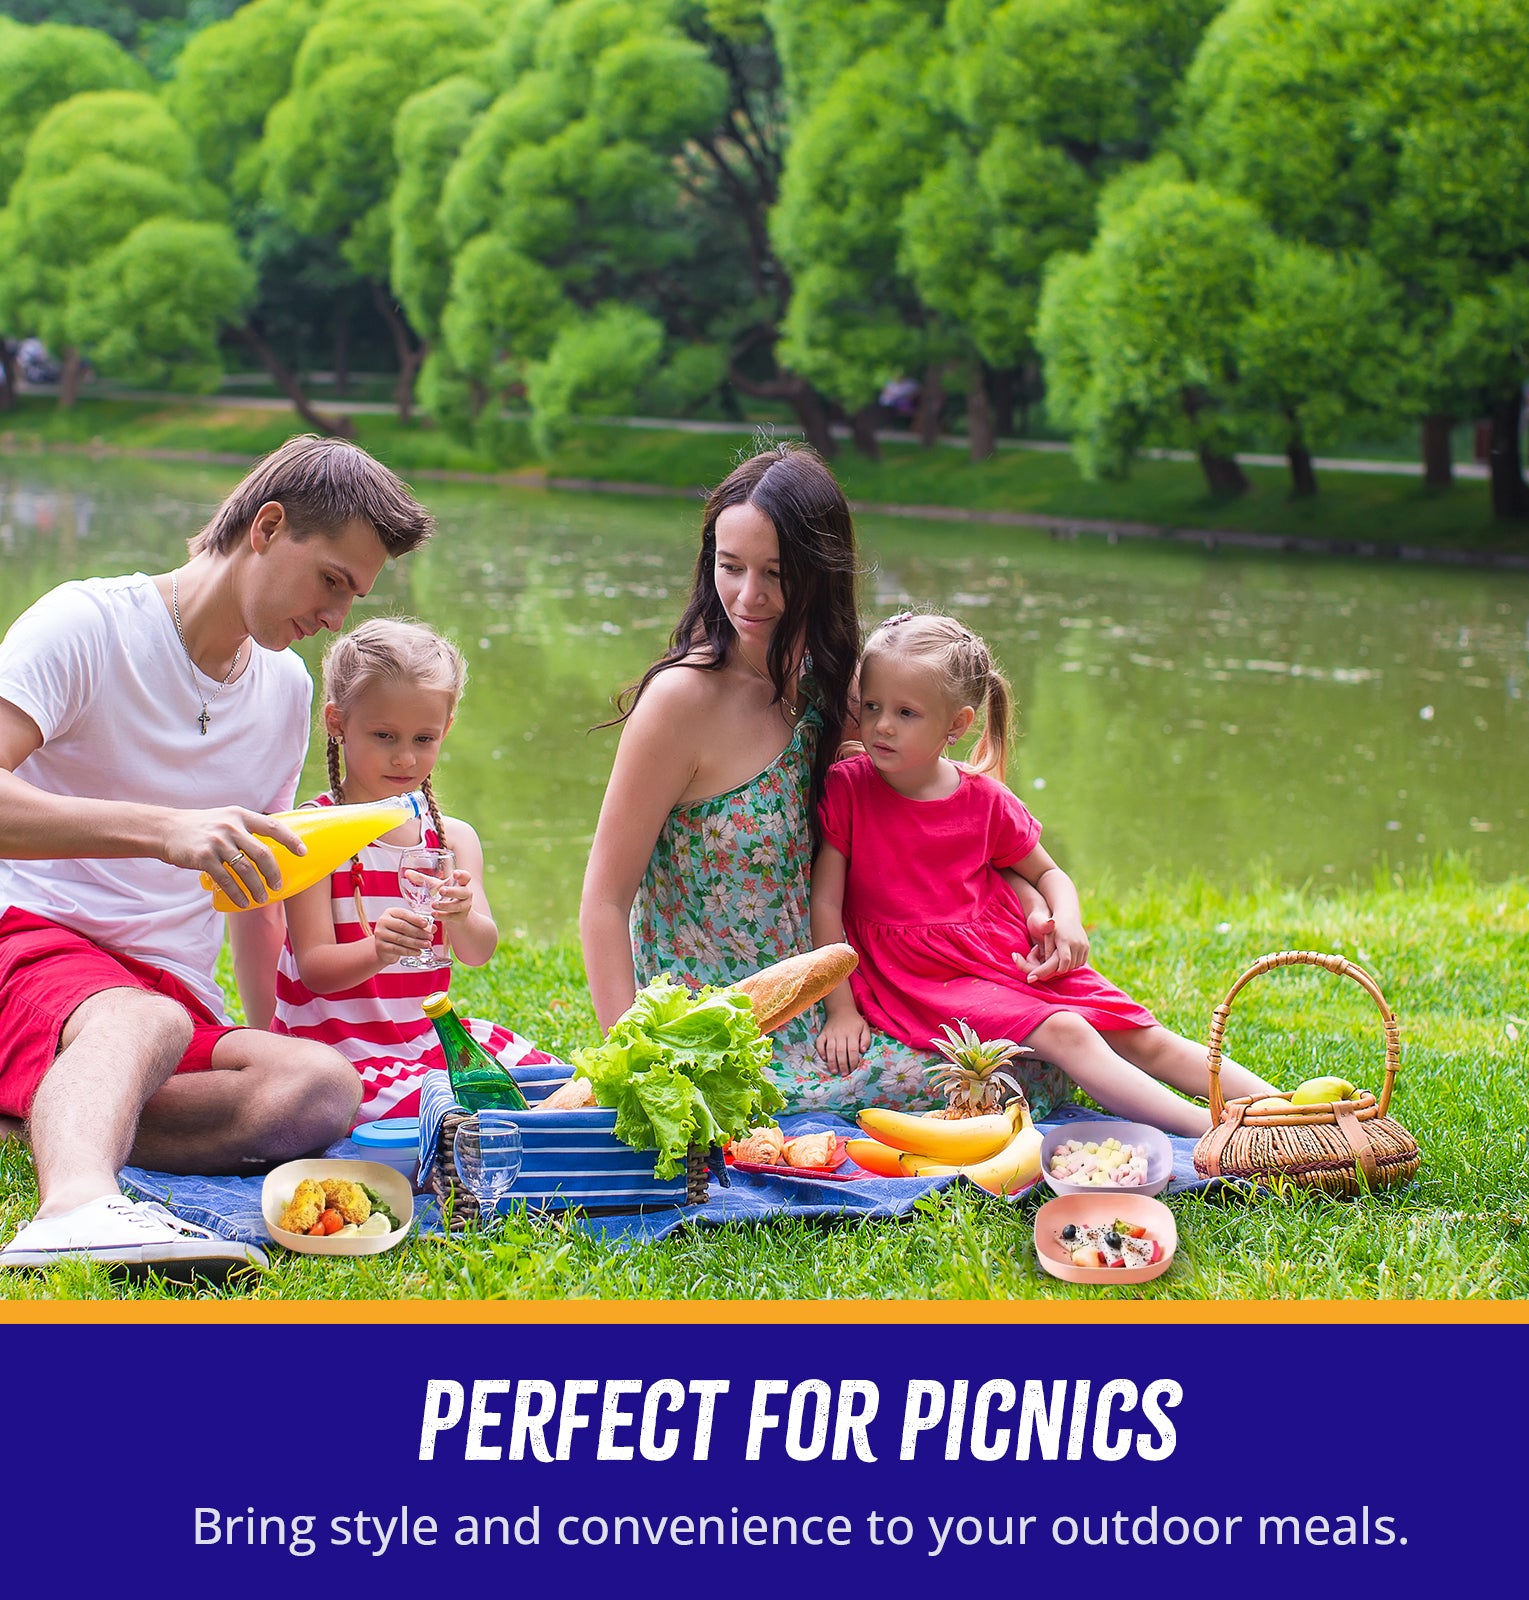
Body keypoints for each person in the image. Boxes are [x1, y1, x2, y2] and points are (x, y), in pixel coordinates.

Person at [0, 436, 435, 1272]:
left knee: (320, 1087)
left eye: (354, 595)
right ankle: (75, 1210)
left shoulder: (286, 688)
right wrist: (163, 830)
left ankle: (41, 1111)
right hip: (30, 944)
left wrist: (263, 1034)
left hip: (168, 996)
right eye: (331, 581)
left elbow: (255, 886)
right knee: (144, 1019)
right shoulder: (86, 623)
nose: (337, 618)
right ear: (267, 528)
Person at [810, 613, 1280, 1136]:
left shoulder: (985, 800)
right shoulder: (850, 788)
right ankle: (1214, 1131)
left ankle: (1291, 1111)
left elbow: (1049, 873)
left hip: (1006, 954)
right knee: (1067, 1031)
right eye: (871, 706)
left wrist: (1068, 920)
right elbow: (826, 904)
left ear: (956, 725)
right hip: (924, 977)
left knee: (1139, 1033)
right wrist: (841, 1008)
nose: (882, 726)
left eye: (906, 713)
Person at [580, 442, 893, 1109]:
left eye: (776, 573)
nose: (749, 596)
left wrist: (1038, 893)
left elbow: (940, 807)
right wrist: (634, 1069)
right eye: (731, 567)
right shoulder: (680, 701)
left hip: (828, 1016)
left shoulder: (831, 689)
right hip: (711, 1037)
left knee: (1015, 1059)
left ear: (821, 573)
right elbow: (604, 901)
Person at [273, 619, 554, 1120]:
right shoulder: (313, 835)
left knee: (553, 1085)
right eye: (384, 736)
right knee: (445, 1112)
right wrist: (378, 949)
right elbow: (315, 970)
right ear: (337, 722)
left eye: (424, 738)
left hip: (426, 1041)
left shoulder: (453, 839)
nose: (405, 757)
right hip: (338, 1053)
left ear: (446, 729)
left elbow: (478, 951)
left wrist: (462, 916)